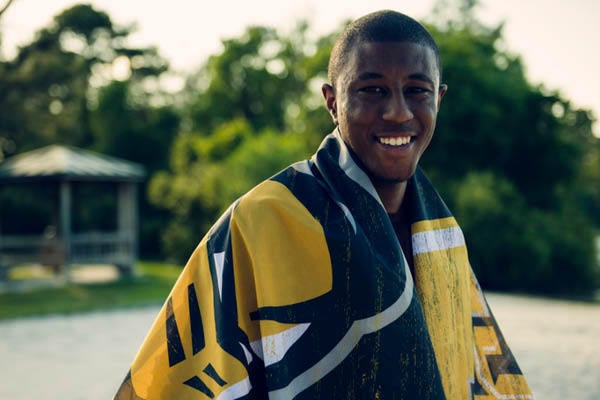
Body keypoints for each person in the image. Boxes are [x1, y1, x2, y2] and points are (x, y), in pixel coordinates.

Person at [115, 10, 533, 400]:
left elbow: (477, 373)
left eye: (416, 91)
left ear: (438, 98)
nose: (398, 112)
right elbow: (177, 377)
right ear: (332, 100)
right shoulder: (263, 218)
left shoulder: (442, 236)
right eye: (372, 90)